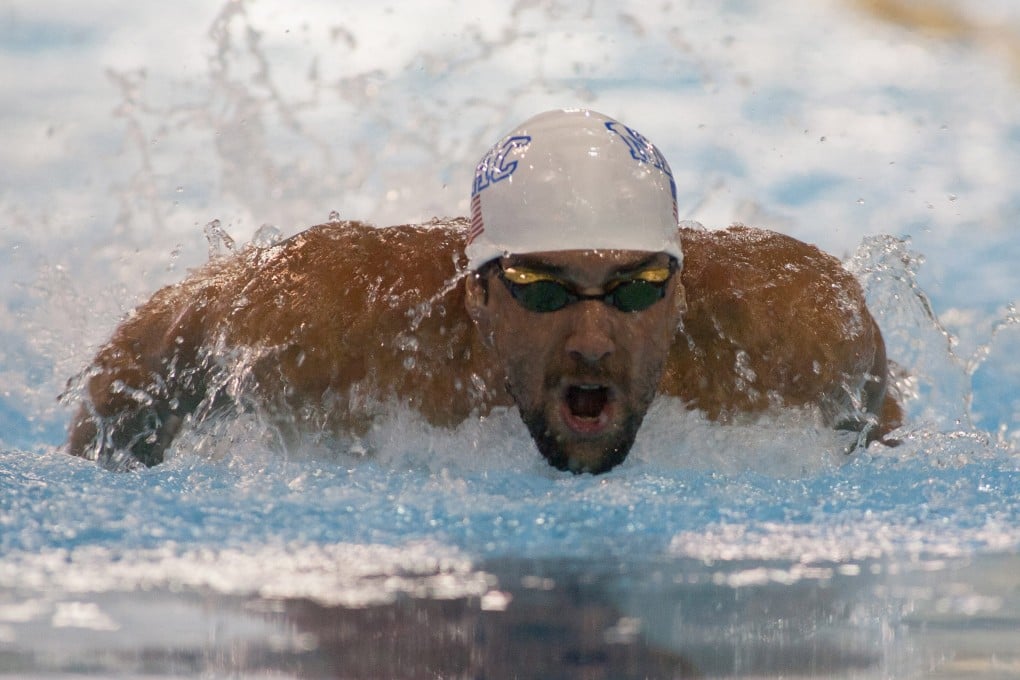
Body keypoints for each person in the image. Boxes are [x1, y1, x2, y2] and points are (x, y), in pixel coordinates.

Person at [66, 109, 901, 474]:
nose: (592, 338)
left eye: (635, 289)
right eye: (543, 290)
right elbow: (145, 358)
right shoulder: (333, 322)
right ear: (476, 293)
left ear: (680, 292)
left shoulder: (796, 326)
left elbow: (883, 451)